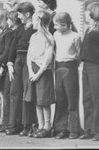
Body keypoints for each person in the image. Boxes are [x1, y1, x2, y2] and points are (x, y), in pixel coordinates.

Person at [6, 2, 37, 136]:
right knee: (14, 92)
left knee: (27, 93)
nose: (18, 16)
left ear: (27, 14)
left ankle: (27, 125)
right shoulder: (19, 29)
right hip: (18, 61)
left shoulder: (36, 28)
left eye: (19, 14)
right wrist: (9, 63)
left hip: (29, 61)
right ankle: (14, 124)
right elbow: (13, 46)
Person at [25, 10, 55, 138]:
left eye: (33, 20)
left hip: (44, 72)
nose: (32, 22)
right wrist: (31, 70)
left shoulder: (49, 37)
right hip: (33, 70)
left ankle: (47, 127)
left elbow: (48, 59)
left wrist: (39, 73)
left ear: (40, 22)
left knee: (44, 101)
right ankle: (40, 126)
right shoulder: (33, 36)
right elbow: (29, 55)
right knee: (37, 100)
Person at [53, 12, 81, 139]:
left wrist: (72, 64)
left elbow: (79, 55)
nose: (55, 27)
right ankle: (61, 128)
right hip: (59, 67)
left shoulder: (75, 36)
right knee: (60, 98)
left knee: (72, 98)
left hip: (70, 67)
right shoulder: (55, 35)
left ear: (66, 25)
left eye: (58, 25)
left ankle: (74, 129)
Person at [79, 2, 99, 141]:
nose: (85, 13)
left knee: (98, 99)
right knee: (87, 99)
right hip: (86, 66)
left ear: (94, 13)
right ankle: (88, 129)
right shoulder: (89, 29)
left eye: (88, 11)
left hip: (97, 67)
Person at [1, 11, 22, 131]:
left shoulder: (15, 32)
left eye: (9, 19)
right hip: (9, 65)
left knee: (13, 94)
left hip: (15, 65)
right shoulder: (12, 32)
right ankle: (8, 122)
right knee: (7, 93)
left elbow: (11, 50)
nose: (7, 22)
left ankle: (13, 123)